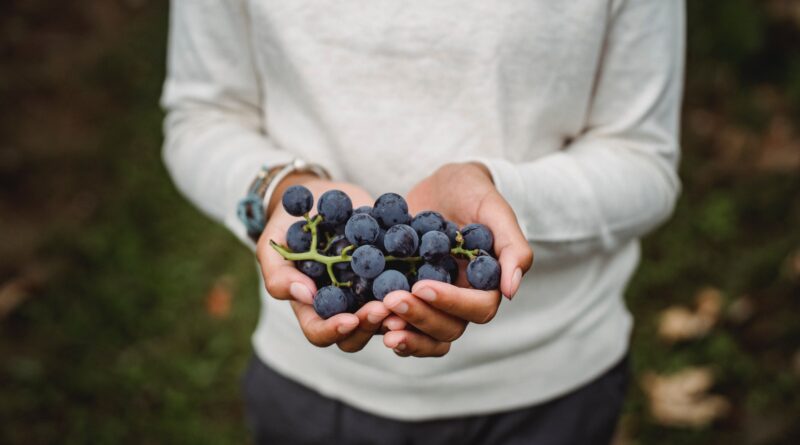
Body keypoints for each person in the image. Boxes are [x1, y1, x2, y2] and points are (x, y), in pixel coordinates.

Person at [161, 0, 684, 443]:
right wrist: (276, 188)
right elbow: (202, 118)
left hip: (553, 390)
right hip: (313, 390)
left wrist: (502, 196)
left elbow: (643, 160)